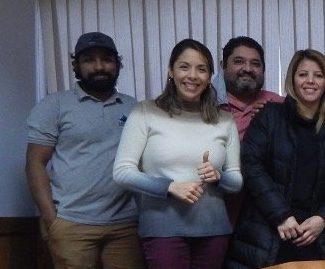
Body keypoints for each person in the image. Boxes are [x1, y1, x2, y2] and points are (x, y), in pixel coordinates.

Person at [113, 39, 242, 269]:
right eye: (184, 67)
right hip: (162, 231)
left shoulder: (224, 120)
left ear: (210, 76)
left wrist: (218, 175)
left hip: (214, 231)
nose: (192, 75)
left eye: (201, 69)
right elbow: (122, 172)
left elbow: (236, 181)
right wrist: (169, 187)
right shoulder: (145, 112)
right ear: (170, 71)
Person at [224, 49, 325, 268]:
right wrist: (281, 216)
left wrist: (324, 218)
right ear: (292, 79)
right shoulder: (269, 115)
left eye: (318, 75)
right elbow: (251, 165)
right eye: (303, 74)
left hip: (317, 235)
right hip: (267, 232)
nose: (310, 81)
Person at [25, 31, 144, 269]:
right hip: (71, 223)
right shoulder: (54, 105)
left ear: (118, 64)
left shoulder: (135, 108)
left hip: (125, 226)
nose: (99, 66)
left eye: (107, 59)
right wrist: (52, 219)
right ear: (76, 66)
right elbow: (34, 164)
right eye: (89, 59)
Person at [214, 36, 284, 225]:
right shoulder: (206, 105)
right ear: (223, 65)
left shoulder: (277, 103)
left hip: (265, 219)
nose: (247, 69)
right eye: (238, 62)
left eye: (255, 63)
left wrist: (270, 121)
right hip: (217, 214)